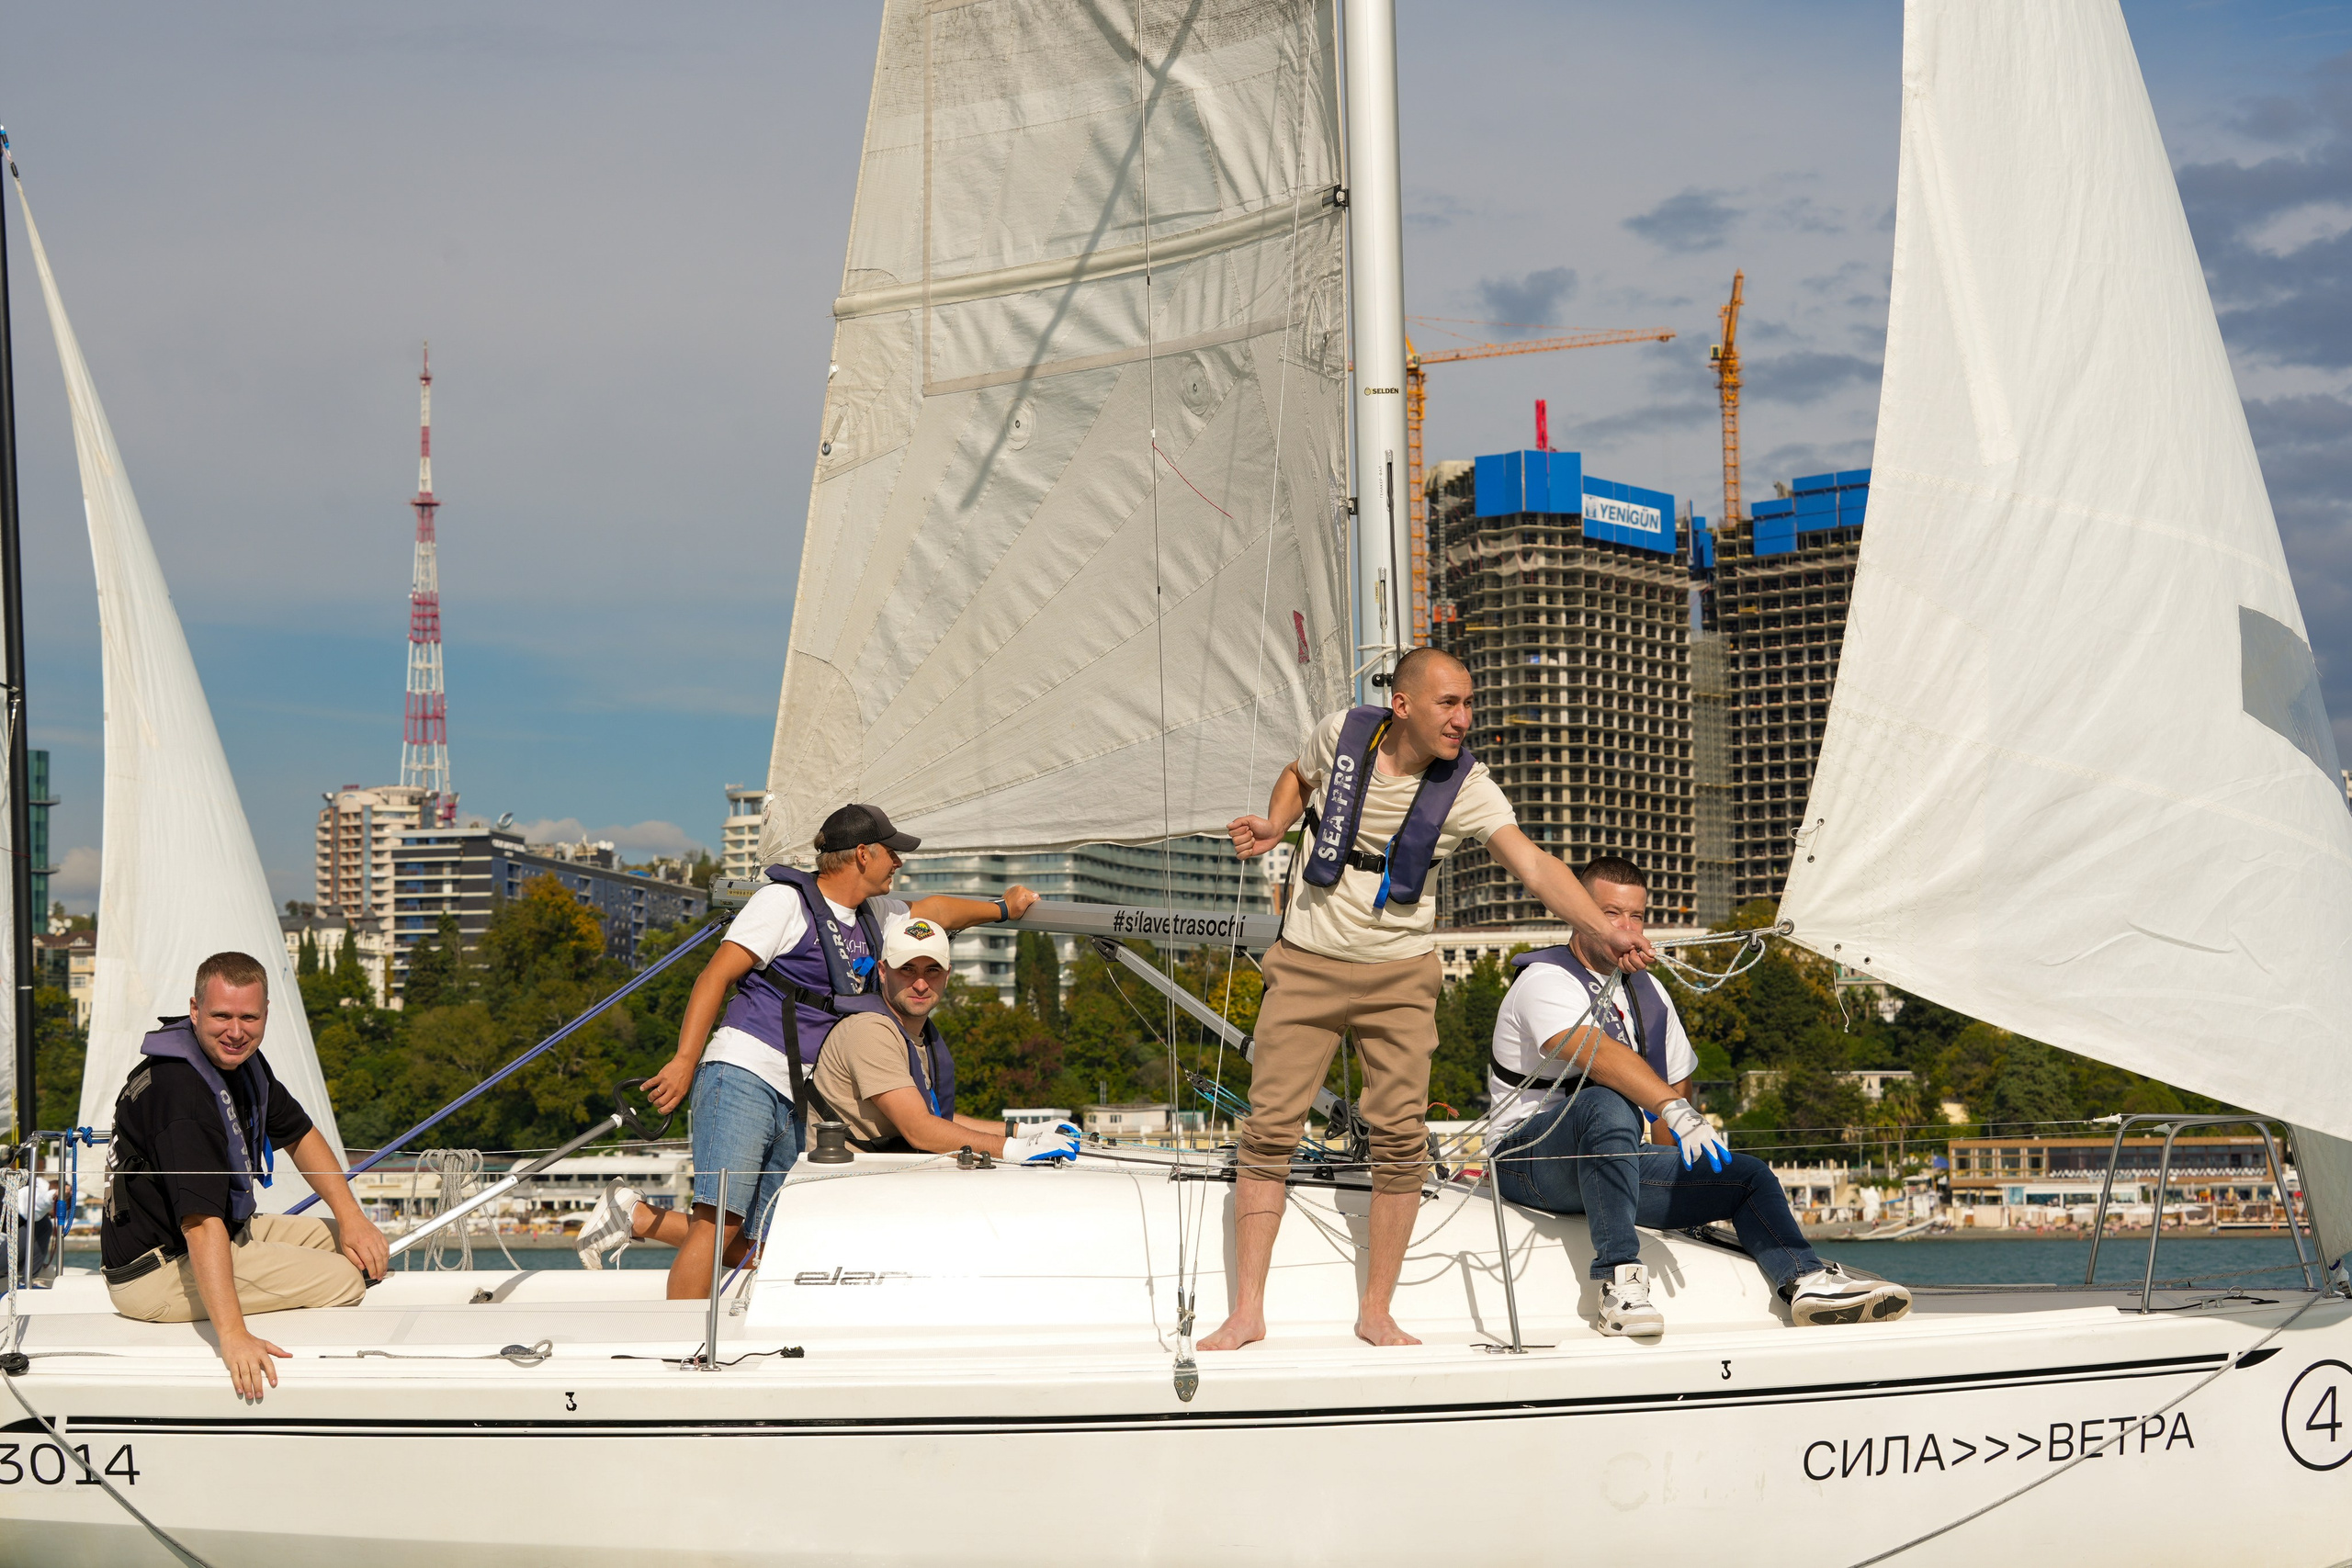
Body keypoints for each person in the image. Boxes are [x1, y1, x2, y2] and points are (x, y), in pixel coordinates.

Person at [1200, 648, 1658, 1351]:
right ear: (1404, 704)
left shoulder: (1469, 784)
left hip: (1400, 973)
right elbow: (1300, 772)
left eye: (1469, 703)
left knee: (1401, 1141)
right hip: (1309, 959)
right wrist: (1273, 823)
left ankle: (1376, 1311)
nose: (1464, 718)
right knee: (1268, 1131)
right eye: (1449, 703)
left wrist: (1602, 927)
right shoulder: (1342, 733)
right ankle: (1247, 1312)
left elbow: (1534, 863)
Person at [574, 803, 1038, 1290]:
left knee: (769, 1240)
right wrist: (685, 1061)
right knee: (719, 1227)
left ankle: (639, 1218)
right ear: (862, 854)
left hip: (802, 1096)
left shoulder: (874, 915)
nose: (899, 864)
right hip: (742, 1073)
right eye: (892, 853)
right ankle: (690, 1350)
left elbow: (937, 912)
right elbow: (716, 975)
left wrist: (1002, 908)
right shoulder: (783, 903)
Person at [1488, 855, 1911, 1333]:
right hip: (1527, 1163)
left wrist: (1676, 1191)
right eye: (1610, 914)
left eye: (1636, 916)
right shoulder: (1545, 981)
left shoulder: (1650, 995)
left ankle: (1805, 1281)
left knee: (1745, 1175)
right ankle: (1619, 1285)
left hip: (1610, 1163)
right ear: (1579, 913)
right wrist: (1672, 1106)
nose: (1627, 928)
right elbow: (1595, 1053)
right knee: (1605, 1101)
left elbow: (1677, 1082)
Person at [100, 951, 391, 1401]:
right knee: (346, 1278)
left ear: (265, 1014)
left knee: (352, 1242)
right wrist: (233, 1336)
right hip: (153, 1272)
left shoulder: (242, 1065)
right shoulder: (184, 1096)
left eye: (248, 1017)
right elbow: (200, 1224)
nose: (236, 1032)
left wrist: (352, 1216)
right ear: (195, 1011)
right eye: (221, 1015)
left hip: (224, 1233)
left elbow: (300, 1134)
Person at [808, 913, 1079, 1159]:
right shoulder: (869, 1030)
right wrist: (1012, 1149)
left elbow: (937, 1118)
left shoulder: (915, 1033)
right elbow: (919, 1129)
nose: (921, 983)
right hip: (847, 1187)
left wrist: (1024, 1132)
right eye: (907, 969)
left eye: (932, 970)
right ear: (882, 971)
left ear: (947, 975)